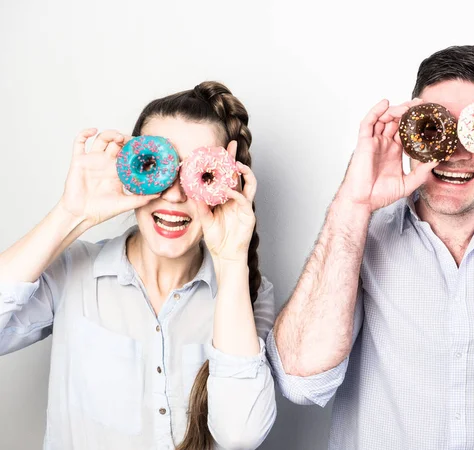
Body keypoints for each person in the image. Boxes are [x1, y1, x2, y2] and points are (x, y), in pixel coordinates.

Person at [267, 45, 474, 449]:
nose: (456, 152)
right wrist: (353, 206)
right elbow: (302, 381)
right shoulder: (358, 242)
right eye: (437, 128)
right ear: (410, 134)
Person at [0, 81, 276, 450]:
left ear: (227, 181)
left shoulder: (247, 293)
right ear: (130, 170)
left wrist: (230, 261)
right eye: (155, 165)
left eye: (199, 173)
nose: (175, 194)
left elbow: (241, 434)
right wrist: (71, 215)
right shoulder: (73, 271)